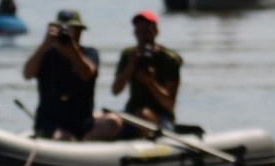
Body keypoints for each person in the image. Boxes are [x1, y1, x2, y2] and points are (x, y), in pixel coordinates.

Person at [24, 9, 112, 140]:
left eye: (72, 29)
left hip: (81, 123)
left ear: (80, 31)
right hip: (50, 124)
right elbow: (27, 73)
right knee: (61, 136)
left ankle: (84, 145)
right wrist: (46, 42)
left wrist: (71, 49)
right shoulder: (46, 55)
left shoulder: (89, 53)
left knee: (113, 122)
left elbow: (86, 74)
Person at [98, 10, 181, 141]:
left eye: (147, 32)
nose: (143, 37)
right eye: (139, 32)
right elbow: (115, 91)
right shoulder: (129, 55)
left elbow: (169, 104)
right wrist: (130, 66)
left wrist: (150, 81)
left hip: (161, 118)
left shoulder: (169, 59)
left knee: (144, 114)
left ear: (155, 31)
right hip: (132, 112)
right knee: (105, 119)